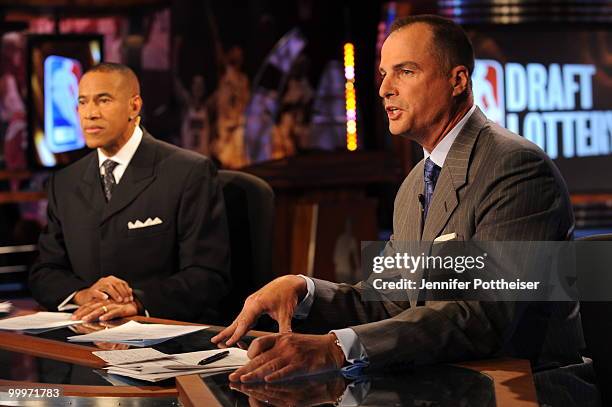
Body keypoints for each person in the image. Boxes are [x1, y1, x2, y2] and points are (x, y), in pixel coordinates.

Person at [211, 15, 597, 405]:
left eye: (405, 72)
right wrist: (304, 288)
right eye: (383, 74)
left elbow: (485, 317)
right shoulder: (416, 181)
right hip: (444, 384)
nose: (384, 89)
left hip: (527, 390)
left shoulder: (515, 167)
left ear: (458, 80)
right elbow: (390, 298)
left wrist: (337, 348)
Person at [29, 63, 230, 324]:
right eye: (82, 102)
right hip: (86, 334)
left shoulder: (189, 172)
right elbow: (44, 272)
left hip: (163, 337)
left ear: (134, 106)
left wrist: (138, 302)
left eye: (103, 100)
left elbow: (208, 275)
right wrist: (82, 294)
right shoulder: (65, 182)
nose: (90, 113)